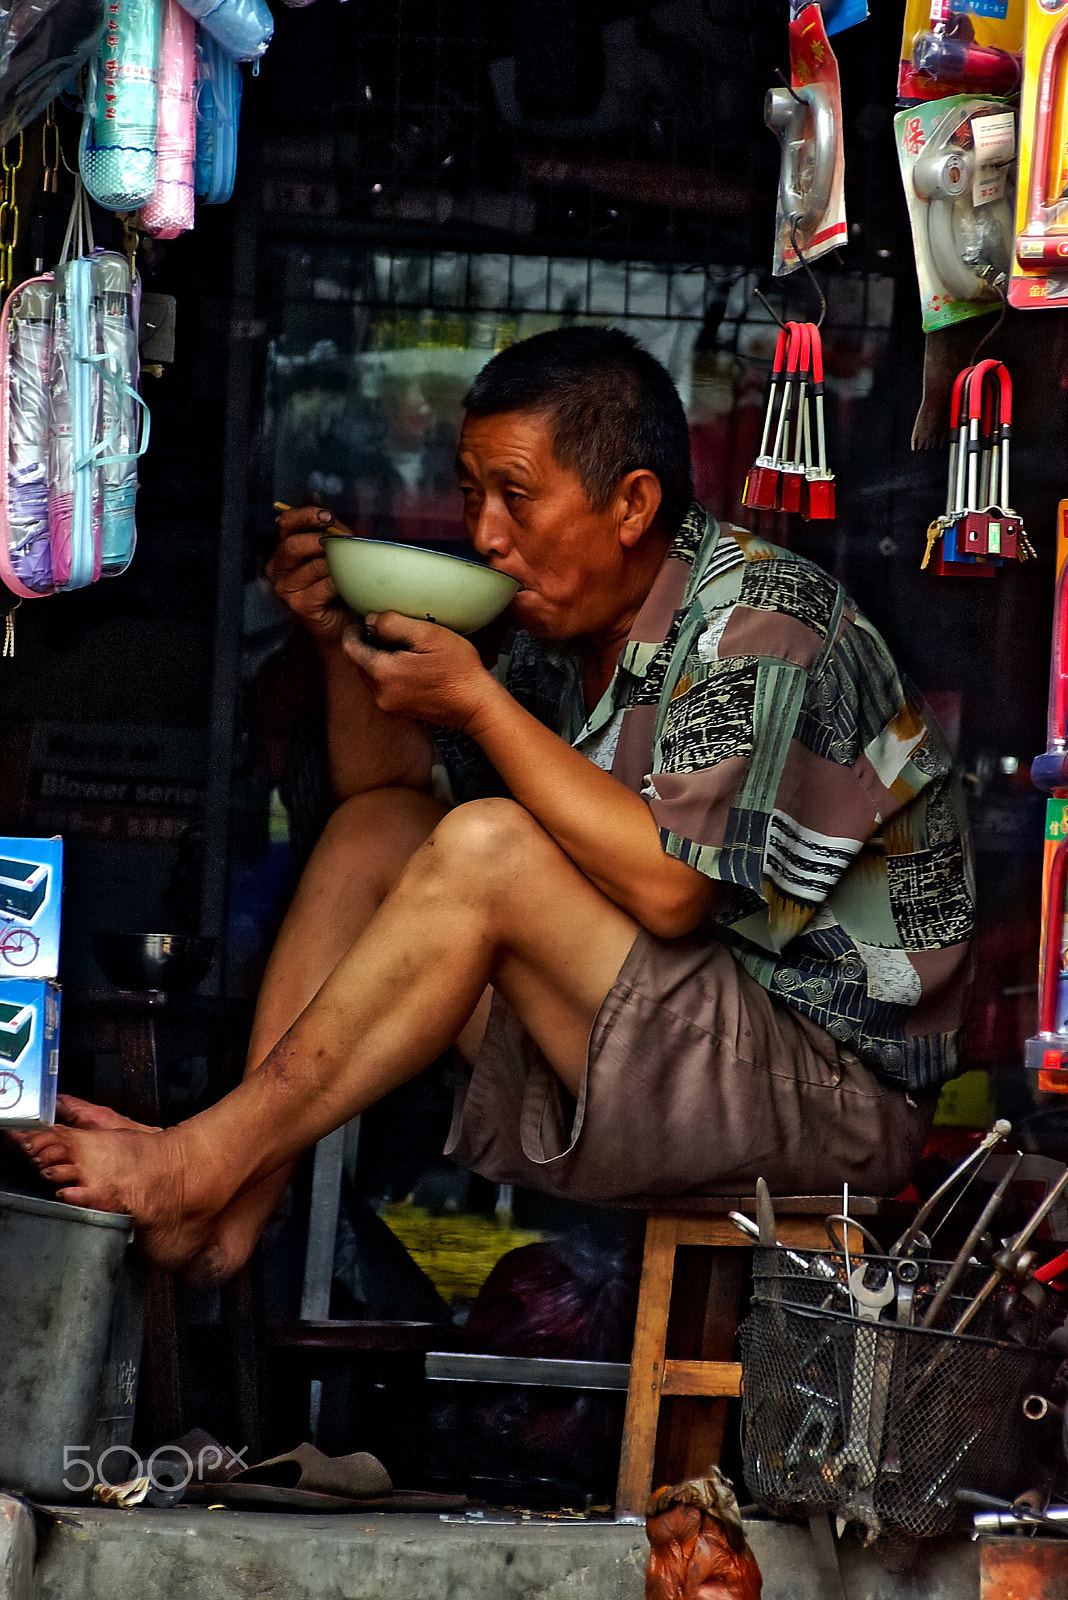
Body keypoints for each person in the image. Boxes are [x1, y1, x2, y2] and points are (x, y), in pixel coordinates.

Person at [11, 327, 974, 1280]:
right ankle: (228, 1218)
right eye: (474, 496)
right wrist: (336, 639)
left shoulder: (760, 622)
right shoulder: (556, 633)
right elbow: (384, 802)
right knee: (380, 835)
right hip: (683, 1040)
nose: (484, 535)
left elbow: (674, 892)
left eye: (517, 497)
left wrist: (475, 698)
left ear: (633, 503)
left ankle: (198, 1161)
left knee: (490, 847)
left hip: (833, 1097)